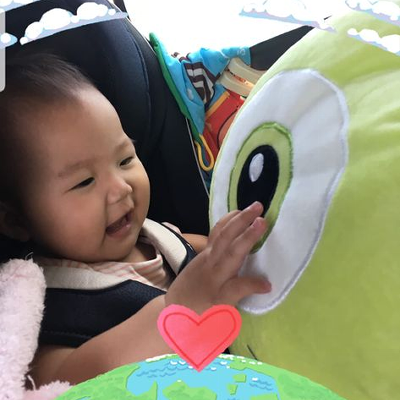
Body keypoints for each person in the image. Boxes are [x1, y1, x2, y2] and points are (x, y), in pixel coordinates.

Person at [0, 53, 271, 386]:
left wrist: (233, 250)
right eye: (84, 181)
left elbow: (206, 254)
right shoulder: (43, 305)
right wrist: (179, 309)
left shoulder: (157, 236)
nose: (120, 188)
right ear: (16, 220)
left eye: (125, 159)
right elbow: (67, 380)